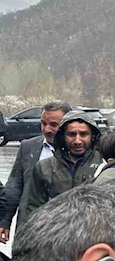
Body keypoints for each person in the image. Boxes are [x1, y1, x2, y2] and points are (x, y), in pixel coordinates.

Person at [0, 101, 71, 243]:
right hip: (29, 229)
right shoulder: (28, 147)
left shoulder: (78, 152)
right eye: (43, 123)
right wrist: (4, 221)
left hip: (64, 231)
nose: (47, 129)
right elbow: (15, 187)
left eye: (54, 125)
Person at [25, 110, 103, 217]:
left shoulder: (103, 165)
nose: (77, 141)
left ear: (92, 136)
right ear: (62, 137)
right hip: (55, 226)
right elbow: (33, 209)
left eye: (83, 134)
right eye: (71, 134)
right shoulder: (44, 167)